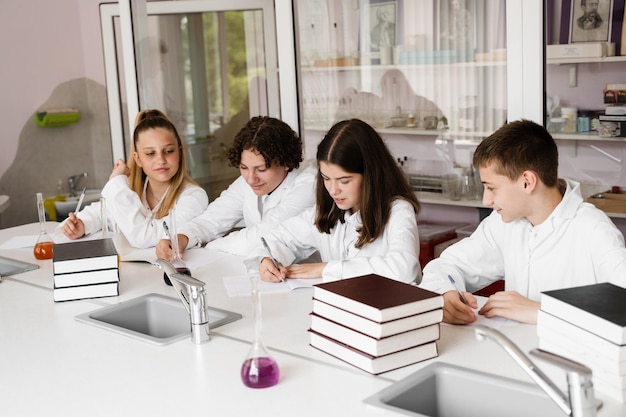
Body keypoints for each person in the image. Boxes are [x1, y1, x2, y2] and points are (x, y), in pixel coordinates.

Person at [419, 119, 626, 325]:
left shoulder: (593, 229)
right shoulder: (504, 223)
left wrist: (541, 311)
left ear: (527, 182)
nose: (486, 200)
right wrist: (446, 293)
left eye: (491, 188)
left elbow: (621, 305)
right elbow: (447, 265)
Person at [255, 118, 421, 284]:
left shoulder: (398, 210)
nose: (333, 190)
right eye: (326, 178)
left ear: (370, 175)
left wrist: (327, 268)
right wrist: (268, 260)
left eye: (344, 181)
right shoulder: (329, 211)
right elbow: (279, 238)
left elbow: (404, 270)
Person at [156, 116, 316, 258]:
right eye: (244, 167)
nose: (251, 178)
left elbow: (263, 236)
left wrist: (210, 246)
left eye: (261, 169)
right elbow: (213, 218)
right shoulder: (249, 181)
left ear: (286, 162)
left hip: (308, 281)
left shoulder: (309, 184)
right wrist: (181, 238)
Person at [58, 109, 208, 248]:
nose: (161, 159)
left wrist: (117, 181)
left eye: (168, 151)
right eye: (150, 153)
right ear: (138, 159)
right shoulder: (132, 189)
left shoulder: (194, 197)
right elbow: (100, 212)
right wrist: (82, 225)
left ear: (180, 153)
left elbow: (146, 237)